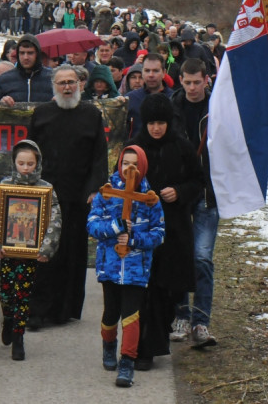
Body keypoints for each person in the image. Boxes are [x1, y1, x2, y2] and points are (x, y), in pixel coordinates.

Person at [27, 66, 108, 328]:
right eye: (61, 83)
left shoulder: (91, 114)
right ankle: (38, 310)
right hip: (46, 196)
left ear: (79, 85)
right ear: (54, 86)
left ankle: (64, 310)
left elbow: (99, 155)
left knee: (72, 254)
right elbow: (29, 154)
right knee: (44, 254)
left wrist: (95, 189)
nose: (66, 87)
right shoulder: (41, 114)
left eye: (71, 82)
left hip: (78, 197)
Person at [128, 93, 203, 370]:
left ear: (169, 122)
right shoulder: (134, 149)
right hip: (141, 230)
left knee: (165, 291)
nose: (156, 128)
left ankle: (155, 343)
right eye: (151, 123)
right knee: (143, 290)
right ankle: (141, 349)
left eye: (161, 122)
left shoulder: (182, 147)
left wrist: (180, 192)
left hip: (173, 231)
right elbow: (118, 181)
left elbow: (198, 181)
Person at [87, 145, 165, 388]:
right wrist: (115, 227)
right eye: (124, 163)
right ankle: (109, 346)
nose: (129, 169)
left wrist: (134, 240)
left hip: (136, 268)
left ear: (142, 166)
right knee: (111, 313)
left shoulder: (150, 200)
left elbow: (159, 234)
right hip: (109, 266)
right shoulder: (107, 194)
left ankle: (127, 361)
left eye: (134, 164)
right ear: (118, 165)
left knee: (131, 315)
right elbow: (92, 225)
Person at [0, 140, 62, 361]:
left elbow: (55, 221)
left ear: (37, 163)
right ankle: (8, 318)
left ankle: (19, 337)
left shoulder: (46, 190)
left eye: (30, 163)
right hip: (8, 251)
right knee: (6, 291)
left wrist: (46, 248)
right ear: (14, 163)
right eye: (21, 163)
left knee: (23, 294)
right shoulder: (4, 187)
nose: (26, 167)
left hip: (30, 254)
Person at [171, 58, 219, 348]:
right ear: (180, 81)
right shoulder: (171, 108)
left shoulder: (219, 108)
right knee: (178, 254)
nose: (191, 87)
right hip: (178, 192)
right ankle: (180, 316)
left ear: (206, 80)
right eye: (187, 82)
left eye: (196, 82)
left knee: (201, 257)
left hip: (207, 193)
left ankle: (201, 322)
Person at [0, 34, 54, 105]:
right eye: (22, 53)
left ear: (37, 54)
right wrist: (0, 104)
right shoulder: (4, 79)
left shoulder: (52, 78)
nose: (25, 57)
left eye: (30, 53)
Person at [125, 54, 173, 139]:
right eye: (147, 70)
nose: (151, 75)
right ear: (142, 72)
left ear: (164, 73)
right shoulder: (130, 99)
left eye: (155, 71)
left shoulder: (174, 98)